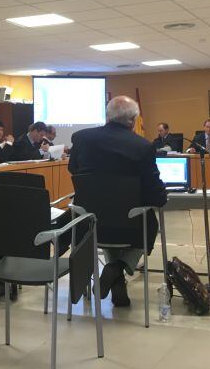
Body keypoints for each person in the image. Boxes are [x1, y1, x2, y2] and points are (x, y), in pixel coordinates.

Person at [68, 96, 167, 307]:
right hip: (129, 228)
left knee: (108, 215)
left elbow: (73, 170)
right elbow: (154, 193)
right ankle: (117, 267)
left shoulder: (81, 138)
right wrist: (161, 196)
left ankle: (117, 280)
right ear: (133, 120)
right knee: (148, 224)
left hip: (89, 225)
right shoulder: (142, 146)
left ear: (107, 116)